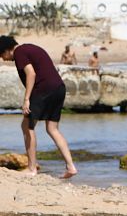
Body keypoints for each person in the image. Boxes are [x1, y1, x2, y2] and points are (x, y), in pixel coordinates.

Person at [0, 36, 78, 179]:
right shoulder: (30, 48)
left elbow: (31, 74)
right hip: (58, 87)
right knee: (52, 129)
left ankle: (32, 169)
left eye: (1, 55)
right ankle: (71, 166)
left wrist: (27, 99)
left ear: (6, 50)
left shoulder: (19, 53)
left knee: (27, 126)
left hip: (44, 89)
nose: (3, 59)